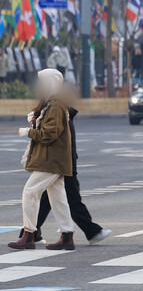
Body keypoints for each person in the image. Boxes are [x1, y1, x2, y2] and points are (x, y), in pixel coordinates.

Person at [29, 86, 111, 245]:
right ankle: (92, 232)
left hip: (60, 164)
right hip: (62, 165)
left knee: (49, 199)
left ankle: (31, 232)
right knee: (71, 199)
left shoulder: (61, 112)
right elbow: (56, 140)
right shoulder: (59, 112)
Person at [10, 69, 75, 250]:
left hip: (51, 160)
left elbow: (48, 134)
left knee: (30, 192)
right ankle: (67, 236)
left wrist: (27, 132)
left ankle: (29, 234)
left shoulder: (55, 106)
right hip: (55, 160)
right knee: (58, 198)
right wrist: (35, 122)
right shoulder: (54, 104)